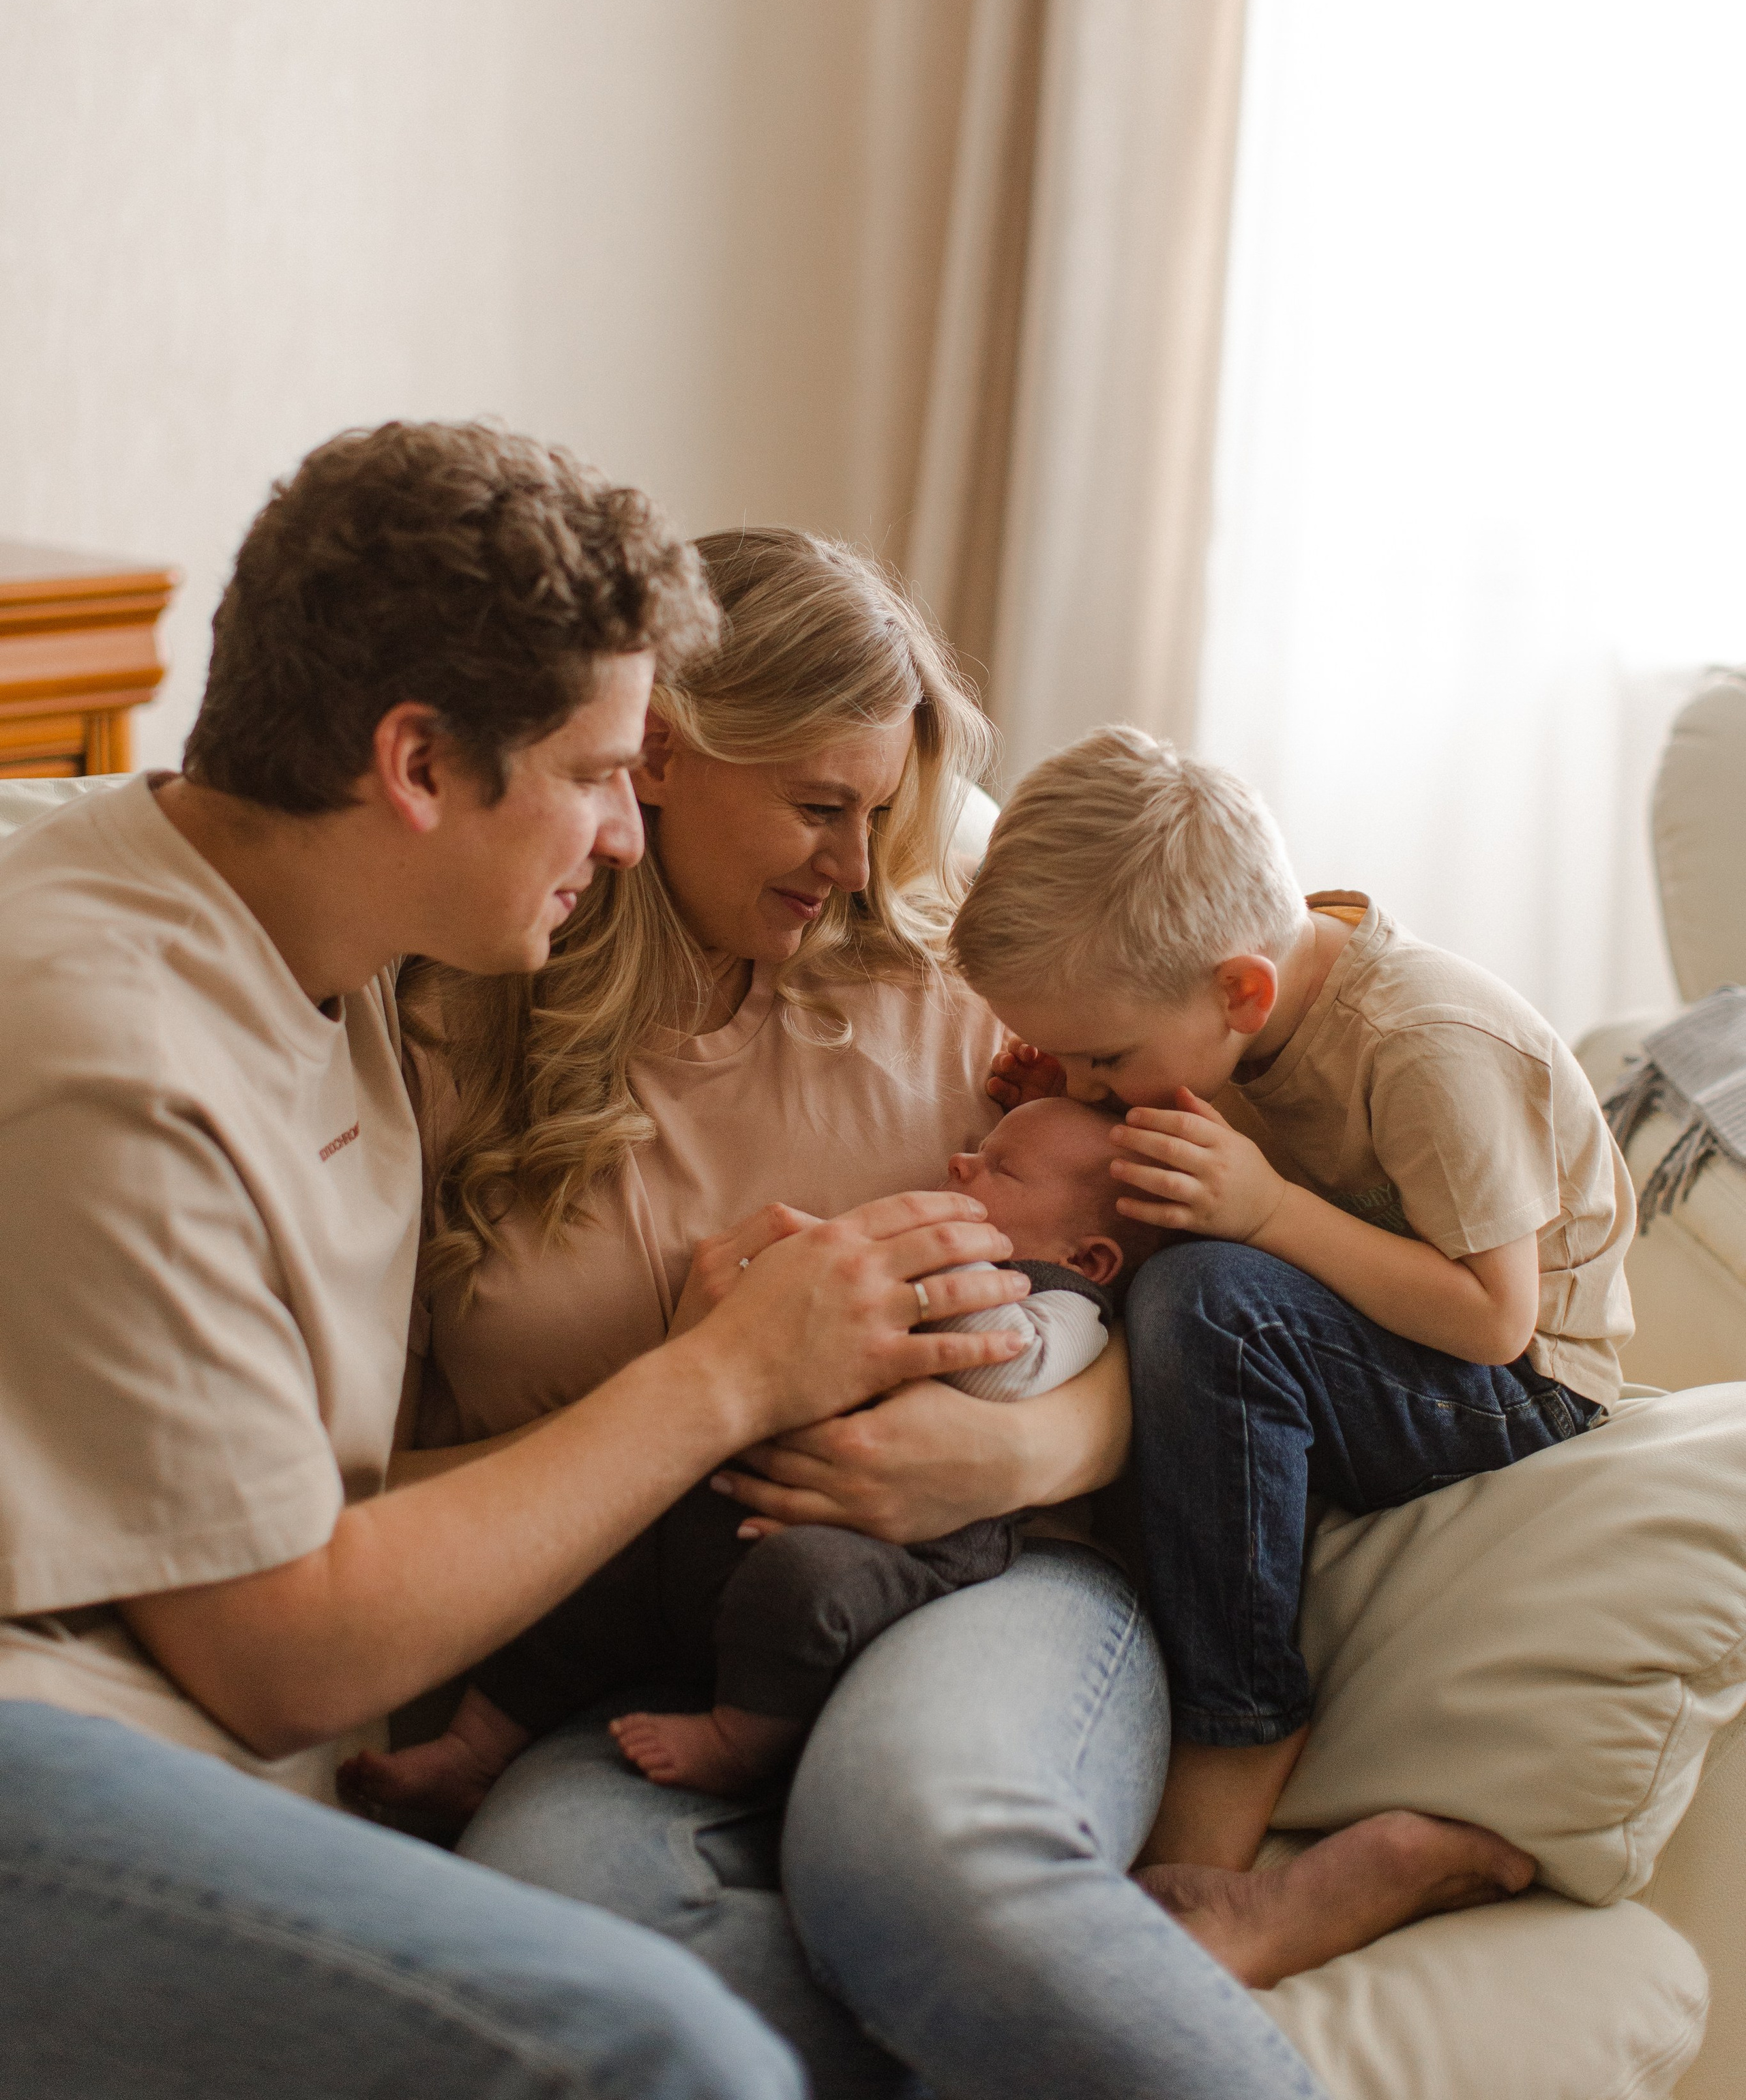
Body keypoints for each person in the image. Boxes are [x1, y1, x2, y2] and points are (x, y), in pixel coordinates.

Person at [0, 423, 1034, 2100]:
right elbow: (283, 1654)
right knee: (657, 2046)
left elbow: (315, 1505)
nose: (627, 831)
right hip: (64, 1740)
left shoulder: (329, 957)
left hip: (205, 1712)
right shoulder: (108, 1047)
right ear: (417, 763)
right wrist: (718, 1378)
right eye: (599, 774)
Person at [399, 527, 1335, 2100]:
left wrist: (1020, 1449)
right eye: (819, 805)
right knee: (569, 1923)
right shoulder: (463, 1010)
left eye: (883, 807)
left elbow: (1211, 1292)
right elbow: (355, 1483)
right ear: (666, 757)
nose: (854, 855)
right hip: (659, 1633)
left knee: (903, 1844)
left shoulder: (964, 991)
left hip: (993, 1576)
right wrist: (701, 1379)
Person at [956, 722, 1636, 1985]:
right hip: (1353, 1334)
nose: (1101, 1080)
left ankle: (1242, 1734)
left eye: (1107, 1053)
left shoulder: (1426, 1041)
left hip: (1518, 1388)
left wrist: (1265, 1209)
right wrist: (1072, 1087)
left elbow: (1501, 1322)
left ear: (1241, 995)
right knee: (1145, 1272)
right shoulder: (1216, 1005)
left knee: (1209, 1296)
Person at [342, 1095, 1160, 1820]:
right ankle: (474, 1752)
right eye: (978, 1150)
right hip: (738, 1501)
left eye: (1000, 1168)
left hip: (901, 1550)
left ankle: (742, 1742)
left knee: (801, 1584)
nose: (960, 1161)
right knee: (597, 1559)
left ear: (1089, 1258)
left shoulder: (1065, 1305)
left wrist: (933, 1269)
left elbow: (1005, 1366)